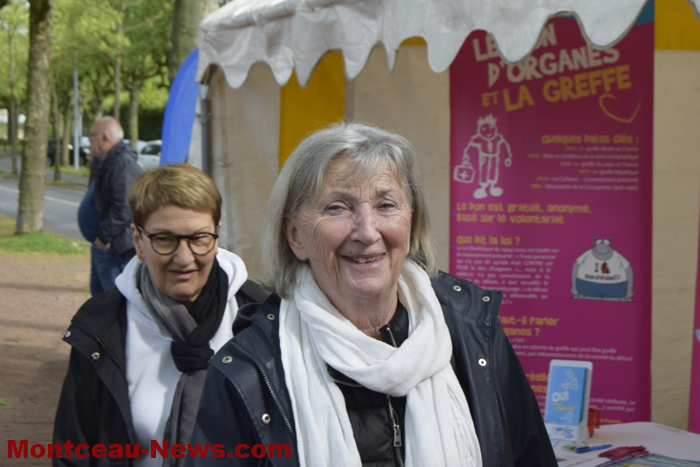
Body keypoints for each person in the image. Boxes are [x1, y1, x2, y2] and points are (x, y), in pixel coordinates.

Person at [190, 123, 557, 466]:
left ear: (411, 223)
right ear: (295, 235)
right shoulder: (249, 371)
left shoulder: (475, 333)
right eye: (337, 207)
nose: (367, 232)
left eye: (386, 205)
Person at [54, 164, 268, 467]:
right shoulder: (101, 327)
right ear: (138, 240)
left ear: (217, 235)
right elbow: (74, 451)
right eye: (165, 239)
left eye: (199, 238)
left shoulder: (261, 317)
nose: (184, 258)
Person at [90, 116, 143, 291]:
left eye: (92, 137)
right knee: (101, 298)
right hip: (109, 243)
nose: (90, 142)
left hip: (117, 245)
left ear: (105, 137)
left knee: (114, 298)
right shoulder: (111, 161)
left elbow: (125, 207)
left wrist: (104, 237)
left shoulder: (122, 163)